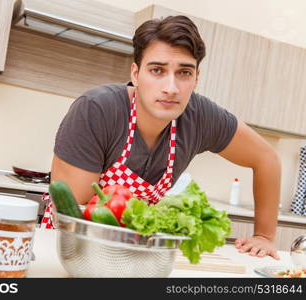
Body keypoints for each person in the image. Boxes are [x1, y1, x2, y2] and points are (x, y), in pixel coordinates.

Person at [41, 15, 281, 260]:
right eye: (157, 70)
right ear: (135, 73)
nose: (171, 88)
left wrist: (264, 236)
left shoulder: (200, 117)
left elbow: (267, 158)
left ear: (197, 78)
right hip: (66, 251)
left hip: (132, 255)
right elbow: (72, 217)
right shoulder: (97, 110)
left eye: (184, 72)